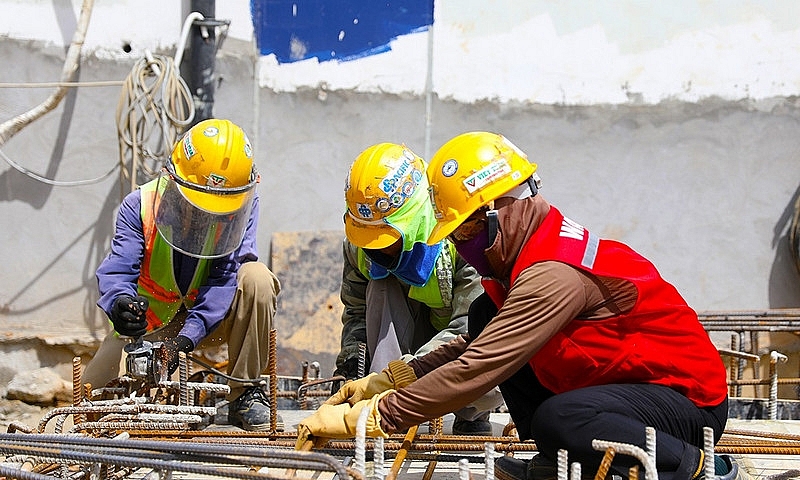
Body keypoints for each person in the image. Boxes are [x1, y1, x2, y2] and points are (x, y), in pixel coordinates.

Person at [297, 132, 734, 480]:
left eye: (463, 232)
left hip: (686, 405)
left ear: (497, 212)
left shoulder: (550, 273)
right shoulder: (524, 252)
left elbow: (479, 368)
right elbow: (477, 342)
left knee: (560, 419)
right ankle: (560, 460)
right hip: (625, 386)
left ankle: (694, 467)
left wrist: (373, 417)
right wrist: (386, 380)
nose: (457, 243)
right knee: (486, 316)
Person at [83, 118, 282, 432]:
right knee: (89, 401)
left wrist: (184, 341)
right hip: (153, 324)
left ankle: (246, 394)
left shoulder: (241, 203)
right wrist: (120, 304)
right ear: (173, 182)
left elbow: (225, 277)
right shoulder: (141, 205)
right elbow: (119, 269)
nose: (209, 213)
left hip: (214, 320)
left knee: (256, 278)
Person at [334, 142, 504, 435]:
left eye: (387, 236)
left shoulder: (464, 240)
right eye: (370, 235)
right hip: (402, 355)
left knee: (489, 379)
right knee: (381, 286)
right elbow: (357, 311)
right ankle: (384, 407)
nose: (380, 248)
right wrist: (353, 364)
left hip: (457, 349)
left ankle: (471, 413)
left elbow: (470, 332)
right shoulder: (359, 246)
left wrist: (402, 375)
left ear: (414, 217)